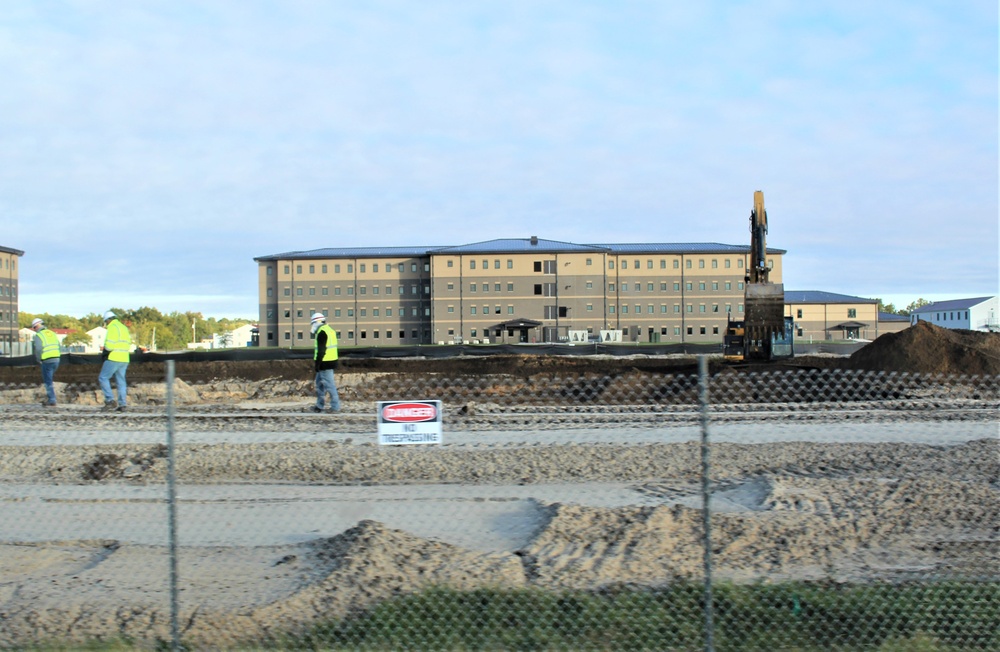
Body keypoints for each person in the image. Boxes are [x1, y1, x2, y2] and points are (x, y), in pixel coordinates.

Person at [98, 310, 132, 412]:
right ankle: (123, 404)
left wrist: (105, 350)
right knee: (121, 381)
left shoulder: (112, 328)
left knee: (103, 377)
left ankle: (110, 400)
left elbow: (109, 346)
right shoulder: (124, 327)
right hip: (125, 358)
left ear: (108, 320)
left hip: (114, 357)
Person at [310, 312, 341, 413]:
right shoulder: (330, 330)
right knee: (320, 385)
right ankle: (319, 406)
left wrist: (317, 364)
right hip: (330, 362)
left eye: (312, 323)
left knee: (329, 386)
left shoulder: (322, 333)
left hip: (324, 363)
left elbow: (321, 350)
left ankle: (335, 407)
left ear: (316, 322)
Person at [30, 318, 61, 406]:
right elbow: (59, 345)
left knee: (48, 380)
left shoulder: (39, 335)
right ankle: (51, 397)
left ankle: (52, 399)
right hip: (56, 359)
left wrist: (38, 359)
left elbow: (39, 349)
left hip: (47, 360)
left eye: (34, 328)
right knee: (49, 379)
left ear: (36, 327)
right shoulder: (52, 333)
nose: (34, 330)